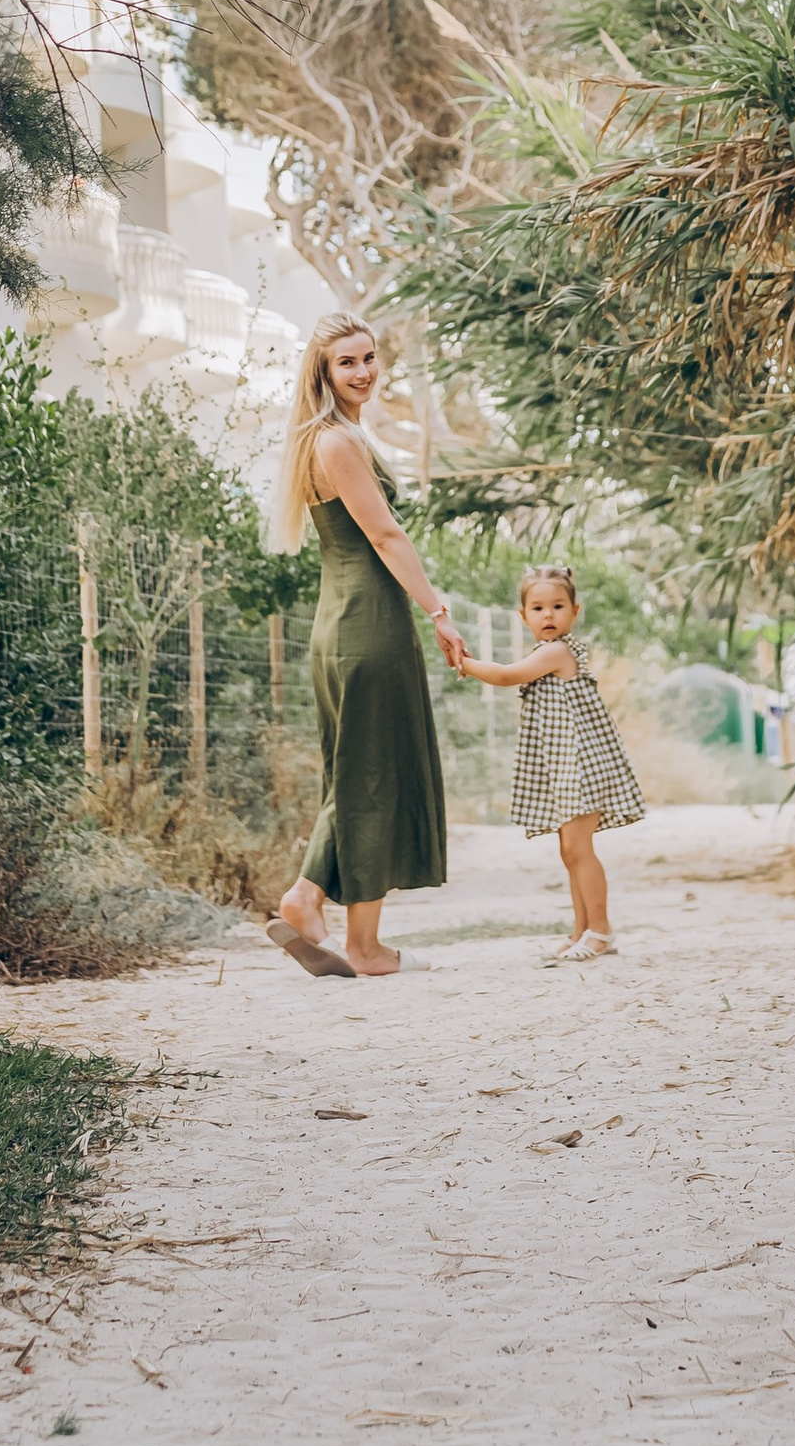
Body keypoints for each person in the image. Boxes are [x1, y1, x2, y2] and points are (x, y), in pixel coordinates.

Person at [264, 317, 466, 981]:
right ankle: (355, 938)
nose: (363, 371)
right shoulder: (338, 443)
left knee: (354, 774)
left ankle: (315, 903)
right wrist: (438, 610)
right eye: (346, 363)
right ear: (323, 374)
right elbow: (386, 537)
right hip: (367, 626)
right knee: (370, 778)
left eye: (369, 358)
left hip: (343, 623)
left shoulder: (324, 439)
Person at [450, 563, 643, 960]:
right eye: (538, 608)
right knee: (569, 850)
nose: (548, 615)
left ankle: (602, 930)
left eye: (558, 606)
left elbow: (506, 677)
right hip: (563, 767)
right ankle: (581, 929)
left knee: (580, 848)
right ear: (523, 617)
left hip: (581, 765)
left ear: (575, 611)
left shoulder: (556, 652)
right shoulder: (544, 651)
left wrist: (463, 663)